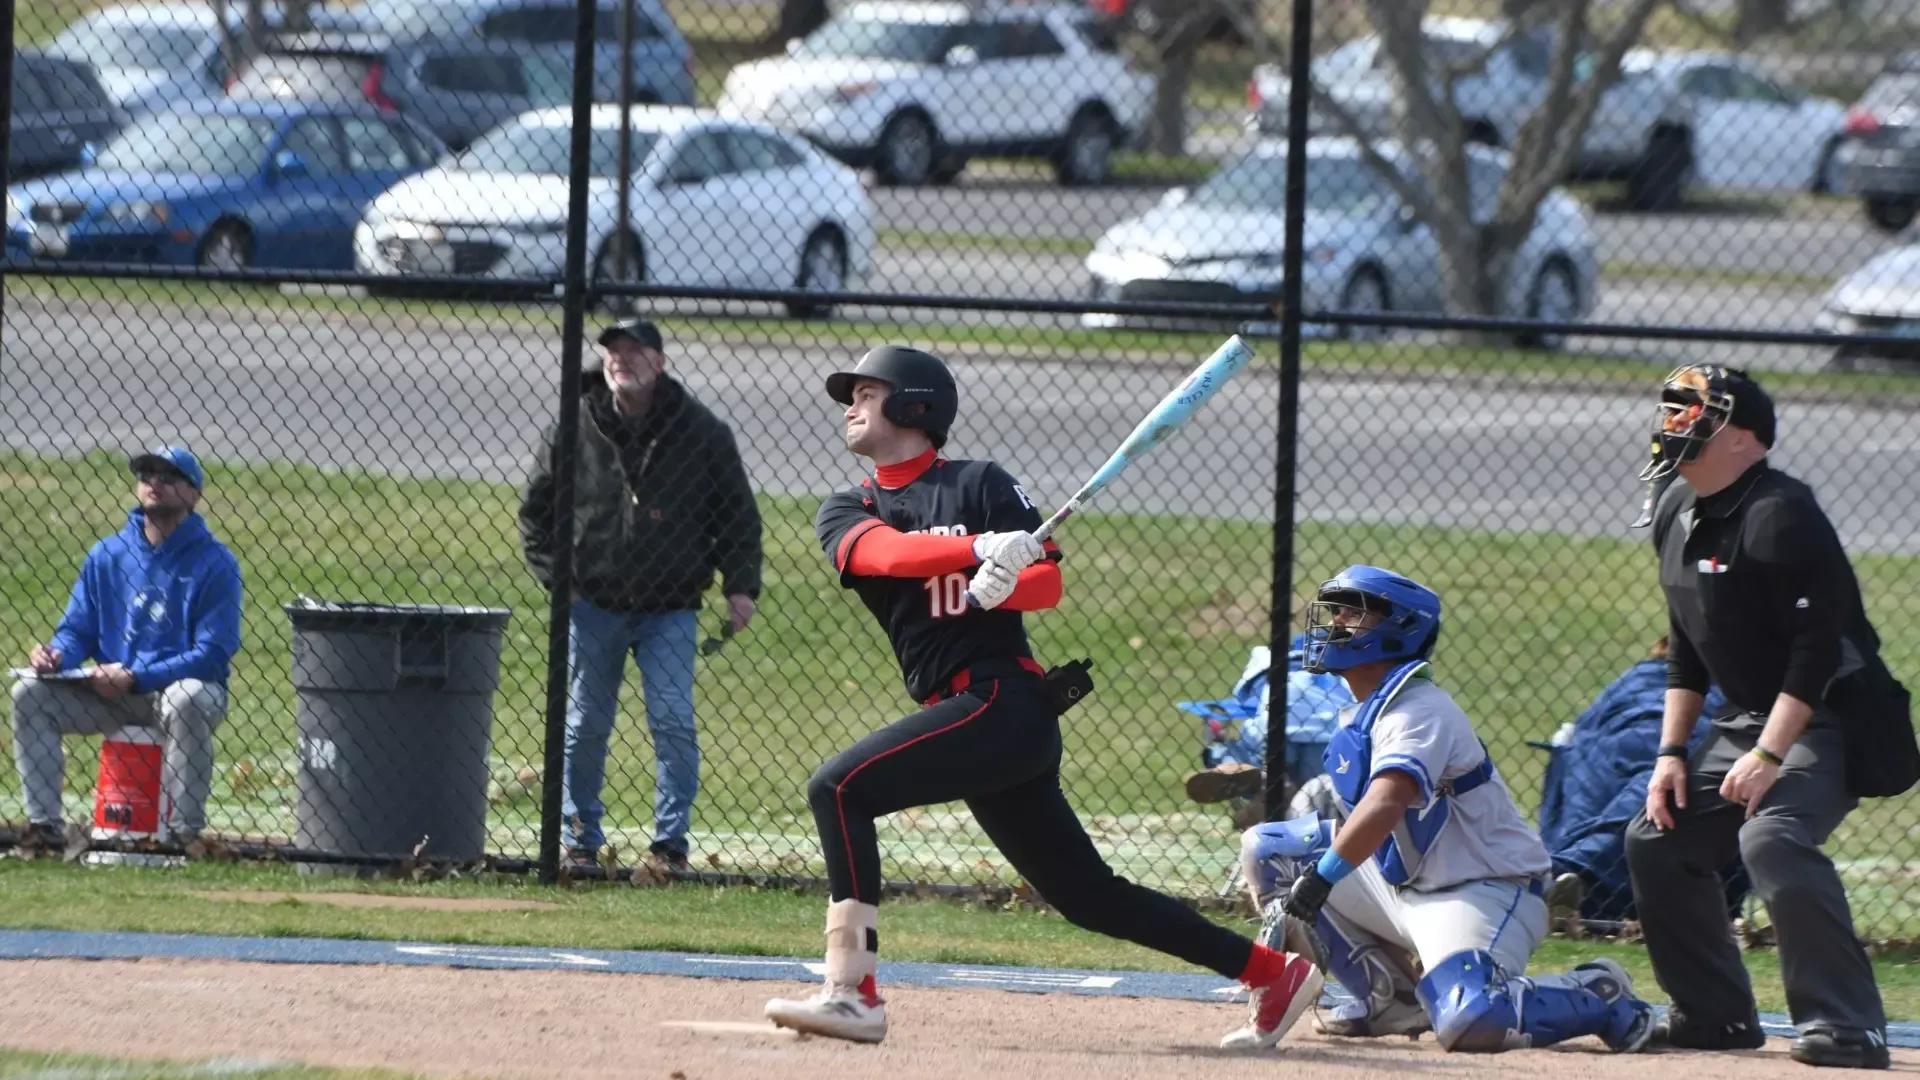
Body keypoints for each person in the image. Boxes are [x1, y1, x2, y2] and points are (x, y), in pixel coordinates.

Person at [761, 345, 1322, 1047]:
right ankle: (1273, 973)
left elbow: (1046, 584)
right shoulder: (852, 505)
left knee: (839, 789)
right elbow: (884, 556)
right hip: (975, 719)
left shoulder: (981, 482)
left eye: (867, 393)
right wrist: (979, 552)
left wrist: (1010, 579)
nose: (850, 406)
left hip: (1003, 704)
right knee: (1088, 896)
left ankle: (852, 993)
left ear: (914, 405)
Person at [1238, 566, 1657, 1053]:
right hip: (1408, 885)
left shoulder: (1419, 711)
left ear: (1398, 630)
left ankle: (1597, 993)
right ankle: (1388, 999)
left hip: (1485, 891)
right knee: (1270, 851)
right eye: (1337, 612)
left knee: (1470, 1017)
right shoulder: (1372, 708)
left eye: (1354, 614)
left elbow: (1385, 803)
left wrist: (1323, 878)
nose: (1335, 624)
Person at [1625, 364, 1892, 1069]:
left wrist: (1769, 757)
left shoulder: (1782, 514)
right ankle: (1716, 1016)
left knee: (1773, 837)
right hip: (1748, 720)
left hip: (1825, 719)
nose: (1678, 427)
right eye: (1673, 413)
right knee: (1658, 837)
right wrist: (1671, 755)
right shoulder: (1676, 505)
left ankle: (1848, 1025)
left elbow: (1816, 653)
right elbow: (1686, 643)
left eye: (1699, 416)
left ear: (1747, 439)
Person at [518, 316, 763, 874]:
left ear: (660, 362)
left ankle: (669, 846)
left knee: (673, 719)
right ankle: (581, 839)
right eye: (613, 351)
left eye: (634, 351)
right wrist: (562, 580)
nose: (620, 360)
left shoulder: (702, 432)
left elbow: (738, 519)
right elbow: (536, 513)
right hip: (593, 605)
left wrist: (740, 587)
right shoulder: (573, 425)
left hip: (670, 607)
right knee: (584, 724)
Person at [11, 446, 241, 848]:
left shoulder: (215, 562)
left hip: (176, 693)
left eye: (168, 476)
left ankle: (184, 837)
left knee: (187, 699)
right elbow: (77, 630)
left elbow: (212, 654)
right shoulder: (107, 555)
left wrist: (136, 677)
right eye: (146, 474)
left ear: (194, 494)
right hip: (111, 694)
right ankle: (44, 829)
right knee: (29, 693)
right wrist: (57, 654)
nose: (154, 482)